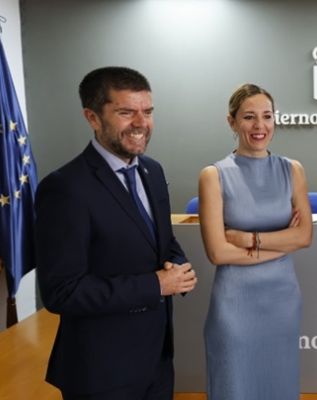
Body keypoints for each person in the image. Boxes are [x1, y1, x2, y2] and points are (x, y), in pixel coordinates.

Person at [35, 66, 197, 400]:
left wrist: (177, 266)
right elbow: (61, 292)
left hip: (158, 361)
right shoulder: (64, 188)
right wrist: (156, 284)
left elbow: (161, 241)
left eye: (147, 112)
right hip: (102, 371)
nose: (141, 123)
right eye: (126, 112)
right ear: (92, 117)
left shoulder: (153, 171)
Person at [198, 83, 313, 400]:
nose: (260, 126)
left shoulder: (293, 170)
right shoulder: (213, 175)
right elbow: (219, 252)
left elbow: (304, 237)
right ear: (232, 122)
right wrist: (280, 244)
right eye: (249, 117)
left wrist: (249, 239)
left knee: (279, 386)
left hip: (282, 301)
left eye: (267, 116)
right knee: (234, 386)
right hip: (234, 305)